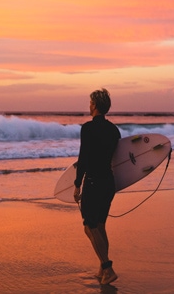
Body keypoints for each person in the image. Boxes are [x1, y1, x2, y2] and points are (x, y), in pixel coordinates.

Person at [73, 88, 121, 285]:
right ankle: (102, 268)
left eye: (90, 102)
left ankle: (108, 268)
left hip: (93, 183)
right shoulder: (114, 131)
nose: (89, 104)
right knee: (100, 226)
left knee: (90, 226)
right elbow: (116, 159)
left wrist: (77, 185)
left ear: (94, 105)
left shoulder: (88, 128)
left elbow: (83, 159)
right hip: (108, 183)